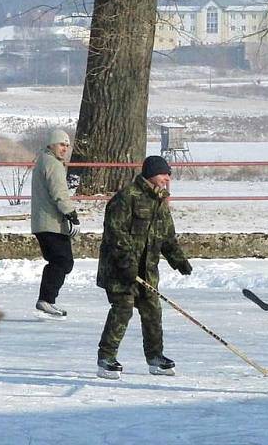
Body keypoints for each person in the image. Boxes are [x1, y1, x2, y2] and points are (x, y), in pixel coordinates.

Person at [96, 155, 193, 380]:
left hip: (147, 271)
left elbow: (166, 236)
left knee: (152, 311)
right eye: (164, 174)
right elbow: (115, 234)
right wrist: (127, 263)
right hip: (120, 270)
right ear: (151, 174)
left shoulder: (160, 201)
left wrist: (178, 259)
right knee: (123, 310)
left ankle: (155, 358)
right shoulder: (126, 198)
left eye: (169, 175)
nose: (167, 179)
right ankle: (106, 358)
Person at [30, 128, 79, 317]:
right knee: (62, 261)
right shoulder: (53, 164)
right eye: (61, 144)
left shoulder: (44, 159)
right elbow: (59, 193)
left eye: (67, 145)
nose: (64, 148)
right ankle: (46, 300)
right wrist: (71, 215)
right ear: (51, 144)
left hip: (46, 222)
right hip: (50, 223)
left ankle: (47, 299)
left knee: (60, 261)